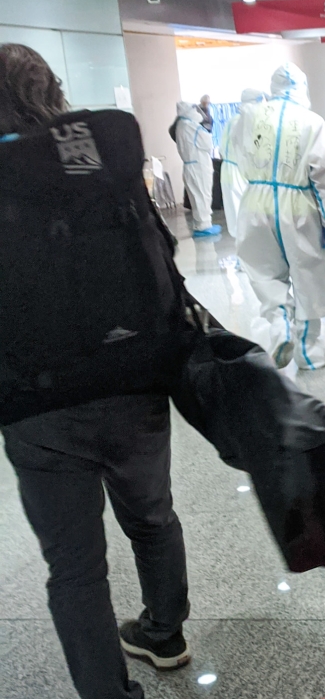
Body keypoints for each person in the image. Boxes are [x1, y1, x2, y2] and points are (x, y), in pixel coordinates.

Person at [0, 42, 191, 699]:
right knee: (153, 515)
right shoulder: (99, 151)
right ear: (51, 87)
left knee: (75, 568)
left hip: (36, 406)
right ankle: (165, 630)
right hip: (131, 376)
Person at [234, 62, 325, 370]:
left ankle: (280, 325)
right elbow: (324, 171)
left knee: (263, 271)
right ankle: (309, 352)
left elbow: (238, 153)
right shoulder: (311, 121)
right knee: (308, 274)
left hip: (256, 200)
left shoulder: (249, 115)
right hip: (297, 203)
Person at [218, 87, 265, 242]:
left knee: (235, 212)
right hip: (238, 171)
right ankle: (246, 252)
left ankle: (243, 250)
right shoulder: (246, 121)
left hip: (228, 169)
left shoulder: (233, 120)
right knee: (243, 213)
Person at [173, 101, 221, 237]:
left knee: (195, 196)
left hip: (189, 165)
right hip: (199, 166)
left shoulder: (180, 125)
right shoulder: (191, 126)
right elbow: (208, 143)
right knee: (203, 195)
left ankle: (199, 224)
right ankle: (204, 225)